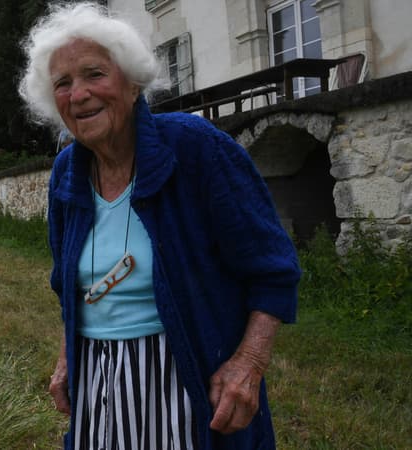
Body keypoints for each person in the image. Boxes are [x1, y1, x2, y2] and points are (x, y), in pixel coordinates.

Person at [18, 3, 301, 449]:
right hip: (99, 376)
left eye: (95, 74)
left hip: (186, 373)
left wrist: (249, 362)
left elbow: (273, 270)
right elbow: (67, 285)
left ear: (132, 84)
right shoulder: (66, 172)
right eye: (63, 84)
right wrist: (67, 357)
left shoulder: (197, 149)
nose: (79, 94)